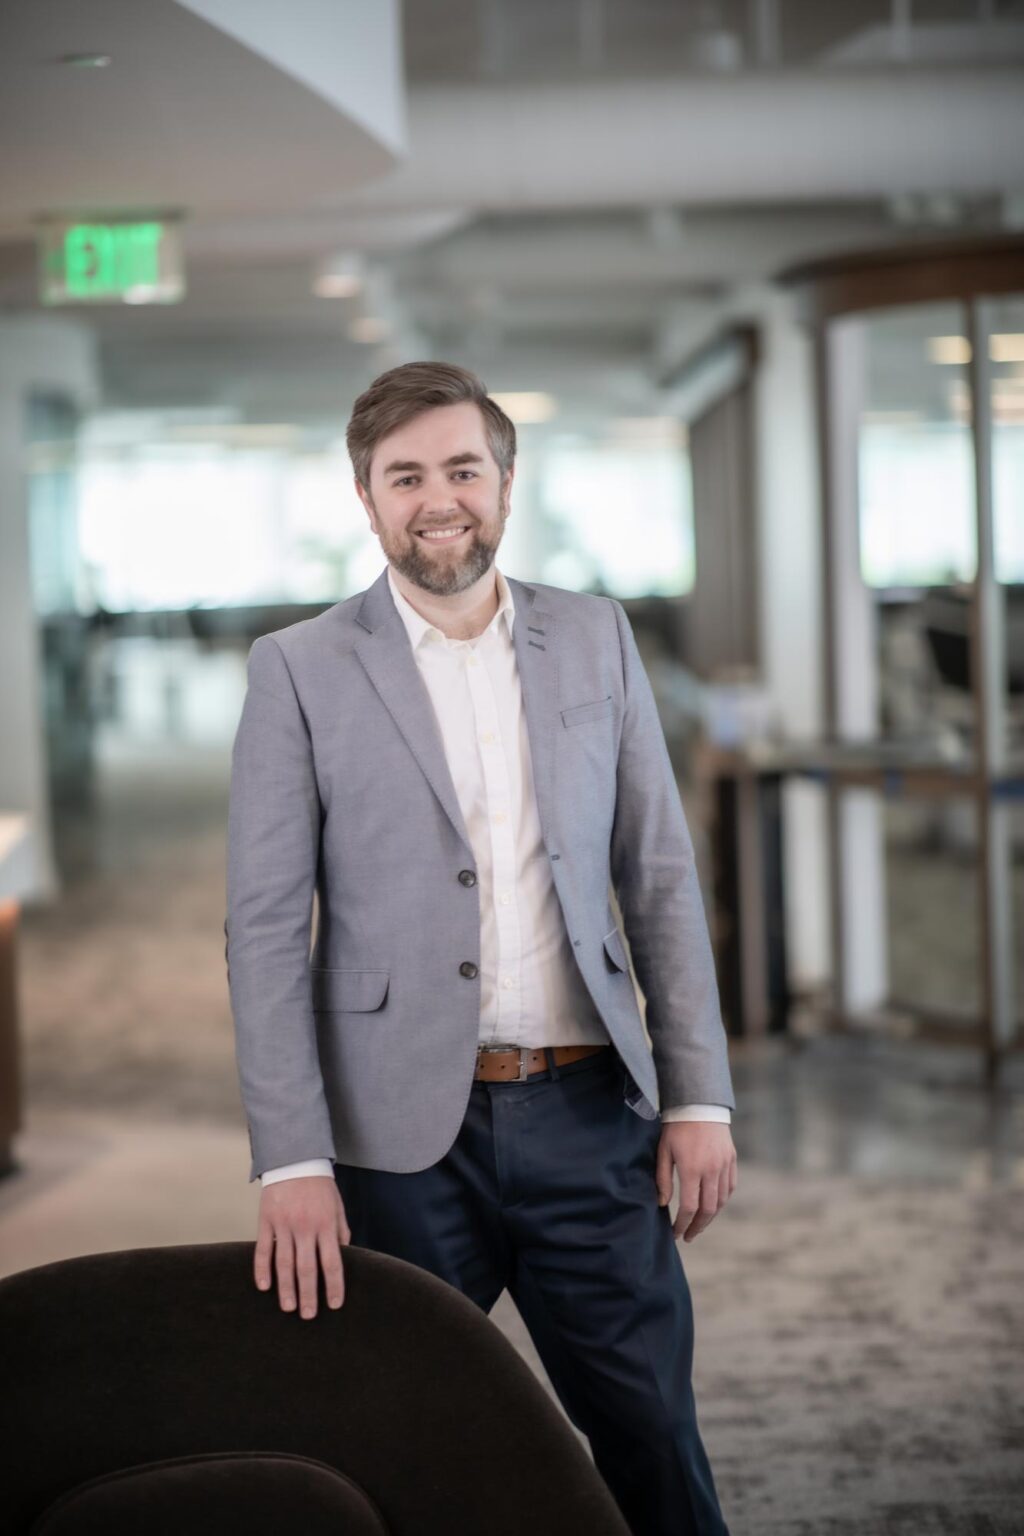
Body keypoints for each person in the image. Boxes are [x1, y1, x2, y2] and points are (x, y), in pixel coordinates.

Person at [225, 361, 737, 1536]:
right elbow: (261, 928)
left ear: (506, 484)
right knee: (402, 1453)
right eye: (405, 476)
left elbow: (656, 874)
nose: (436, 497)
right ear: (366, 498)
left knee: (653, 1435)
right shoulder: (297, 668)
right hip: (398, 1142)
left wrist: (699, 1094)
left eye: (462, 468)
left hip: (587, 1119)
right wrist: (290, 1161)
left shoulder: (595, 638)